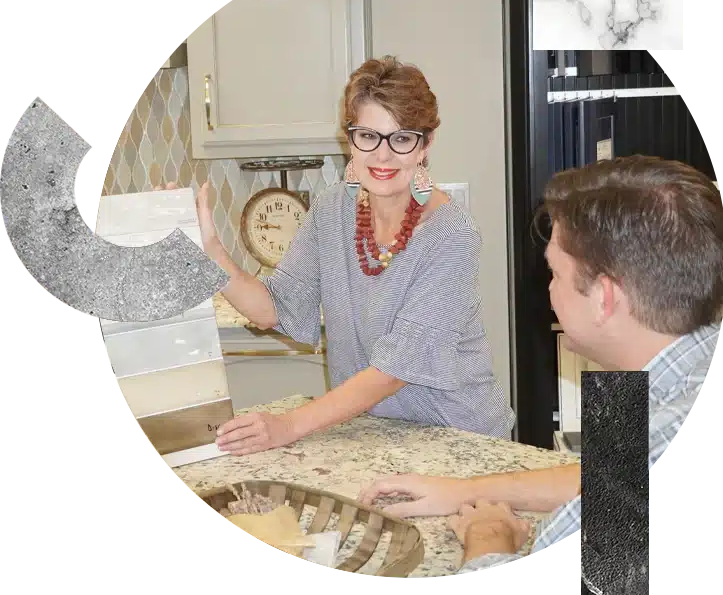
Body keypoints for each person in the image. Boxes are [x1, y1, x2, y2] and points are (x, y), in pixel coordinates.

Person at [359, 155, 723, 578]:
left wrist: (489, 540)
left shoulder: (662, 464)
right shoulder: (683, 366)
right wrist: (463, 492)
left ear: (605, 298)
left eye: (555, 273)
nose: (548, 289)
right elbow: (597, 475)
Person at [157, 56, 514, 456]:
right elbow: (271, 309)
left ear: (425, 145)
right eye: (368, 136)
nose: (382, 155)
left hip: (460, 440)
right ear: (350, 139)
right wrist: (211, 251)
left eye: (401, 138)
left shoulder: (451, 234)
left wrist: (288, 426)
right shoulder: (332, 212)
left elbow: (394, 371)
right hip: (376, 436)